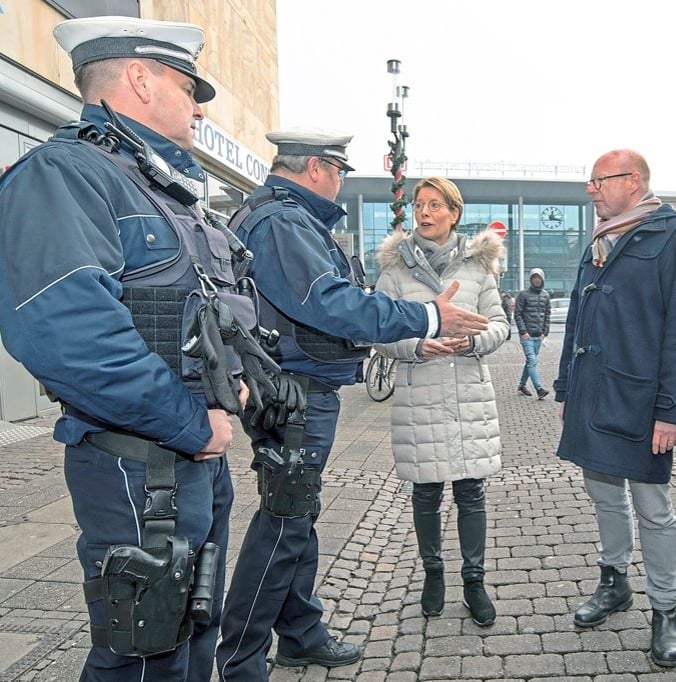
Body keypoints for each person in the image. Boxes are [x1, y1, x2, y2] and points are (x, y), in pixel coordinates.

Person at [0, 16, 267, 681]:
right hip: (141, 466)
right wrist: (190, 422)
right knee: (144, 657)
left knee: (189, 642)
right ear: (140, 80)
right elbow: (71, 335)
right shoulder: (63, 176)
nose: (200, 105)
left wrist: (236, 384)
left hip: (192, 461)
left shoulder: (158, 188)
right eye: (189, 85)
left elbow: (201, 311)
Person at [216, 133, 490, 679]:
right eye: (339, 169)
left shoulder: (282, 216)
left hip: (295, 386)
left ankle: (299, 632)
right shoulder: (282, 222)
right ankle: (242, 658)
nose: (340, 179)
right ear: (317, 167)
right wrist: (426, 317)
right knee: (285, 521)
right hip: (294, 392)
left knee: (299, 514)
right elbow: (331, 303)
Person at [554, 150, 676, 668]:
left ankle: (666, 609)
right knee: (602, 493)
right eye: (590, 181)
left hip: (641, 402)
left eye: (599, 180)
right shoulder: (599, 239)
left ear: (633, 181)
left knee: (652, 506)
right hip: (593, 393)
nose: (591, 190)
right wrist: (564, 388)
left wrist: (672, 412)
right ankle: (614, 582)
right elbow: (578, 316)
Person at [373, 176, 508, 627]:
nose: (425, 213)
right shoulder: (395, 272)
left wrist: (472, 342)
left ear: (454, 212)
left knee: (472, 491)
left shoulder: (477, 268)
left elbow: (500, 326)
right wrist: (415, 346)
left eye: (435, 205)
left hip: (468, 395)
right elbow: (377, 330)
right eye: (419, 205)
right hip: (420, 396)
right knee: (426, 491)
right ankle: (434, 575)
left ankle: (474, 581)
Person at [514, 268, 551, 398]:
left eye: (538, 277)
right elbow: (517, 314)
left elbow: (547, 315)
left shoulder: (546, 295)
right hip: (527, 335)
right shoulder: (523, 294)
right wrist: (523, 332)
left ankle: (522, 385)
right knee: (532, 360)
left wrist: (545, 332)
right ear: (530, 279)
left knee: (530, 362)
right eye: (534, 277)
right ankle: (539, 389)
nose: (536, 280)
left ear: (542, 279)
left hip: (538, 336)